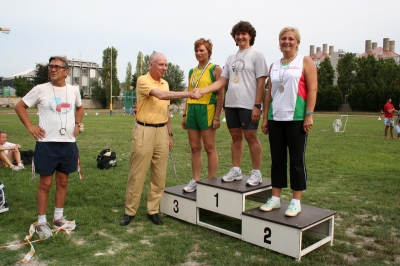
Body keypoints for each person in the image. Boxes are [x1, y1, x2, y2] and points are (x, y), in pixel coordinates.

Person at [120, 52, 201, 226]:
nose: (164, 68)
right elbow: (161, 96)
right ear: (151, 65)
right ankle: (130, 211)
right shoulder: (143, 80)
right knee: (137, 173)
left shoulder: (166, 83)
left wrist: (169, 134)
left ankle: (153, 210)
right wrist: (189, 94)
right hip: (143, 131)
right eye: (161, 65)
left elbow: (166, 112)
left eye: (166, 65)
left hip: (161, 131)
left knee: (159, 174)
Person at [14, 56, 84, 238]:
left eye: (57, 67)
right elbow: (19, 106)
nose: (53, 69)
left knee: (63, 182)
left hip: (68, 144)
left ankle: (58, 218)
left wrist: (77, 124)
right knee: (45, 183)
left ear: (66, 72)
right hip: (46, 144)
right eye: (50, 66)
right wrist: (30, 127)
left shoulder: (73, 90)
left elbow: (80, 107)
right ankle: (42, 222)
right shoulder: (40, 89)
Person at [194, 21, 268, 186]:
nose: (240, 36)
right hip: (231, 104)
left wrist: (258, 106)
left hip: (249, 104)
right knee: (235, 137)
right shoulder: (231, 58)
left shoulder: (257, 55)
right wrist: (203, 90)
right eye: (238, 34)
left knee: (251, 137)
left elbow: (261, 83)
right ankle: (236, 170)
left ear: (250, 36)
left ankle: (256, 172)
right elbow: (221, 82)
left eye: (244, 34)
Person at [259, 26, 317, 217]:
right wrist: (265, 117)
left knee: (296, 160)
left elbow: (313, 90)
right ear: (279, 42)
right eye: (283, 38)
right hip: (276, 118)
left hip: (297, 118)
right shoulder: (274, 65)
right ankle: (275, 198)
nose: (287, 42)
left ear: (297, 42)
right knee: (277, 159)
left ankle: (295, 201)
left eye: (291, 39)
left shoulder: (305, 61)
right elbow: (269, 93)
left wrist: (309, 114)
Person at [181, 38, 224, 193]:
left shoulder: (215, 69)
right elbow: (188, 92)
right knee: (194, 147)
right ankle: (196, 180)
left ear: (209, 52)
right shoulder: (192, 71)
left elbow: (220, 93)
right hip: (192, 110)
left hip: (207, 110)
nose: (198, 53)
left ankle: (211, 182)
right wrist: (185, 114)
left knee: (209, 147)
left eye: (202, 50)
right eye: (197, 51)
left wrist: (217, 116)